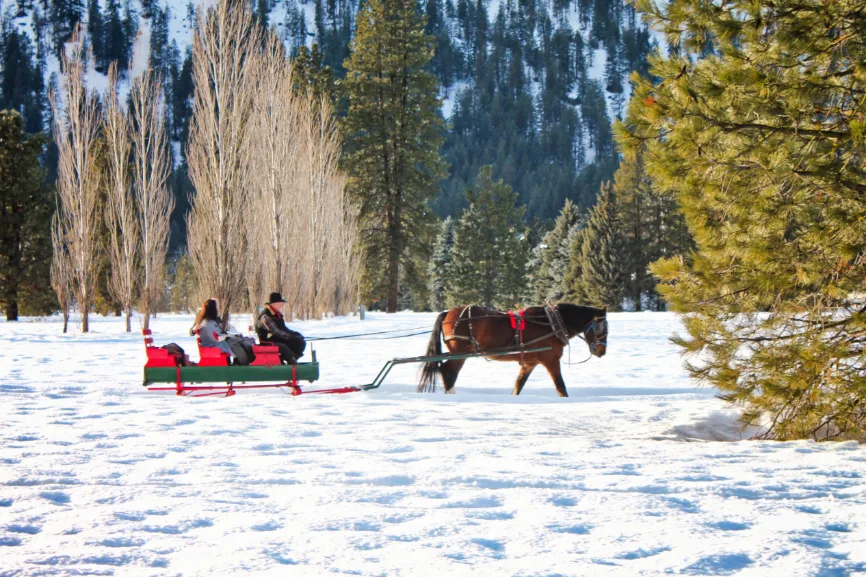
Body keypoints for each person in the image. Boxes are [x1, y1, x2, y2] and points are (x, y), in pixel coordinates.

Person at [191, 299, 256, 366]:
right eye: (217, 306)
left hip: (214, 342)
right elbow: (216, 337)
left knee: (236, 340)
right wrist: (193, 329)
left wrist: (230, 336)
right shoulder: (207, 322)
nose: (218, 308)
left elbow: (219, 333)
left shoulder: (211, 320)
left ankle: (240, 360)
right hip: (213, 344)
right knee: (234, 343)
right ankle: (241, 361)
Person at [255, 292, 306, 365]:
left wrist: (296, 334)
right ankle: (291, 361)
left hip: (276, 338)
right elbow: (276, 331)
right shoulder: (265, 316)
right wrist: (291, 337)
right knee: (284, 348)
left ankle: (291, 360)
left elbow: (284, 329)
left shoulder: (277, 315)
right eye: (280, 302)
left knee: (300, 343)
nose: (281, 304)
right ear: (274, 303)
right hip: (267, 342)